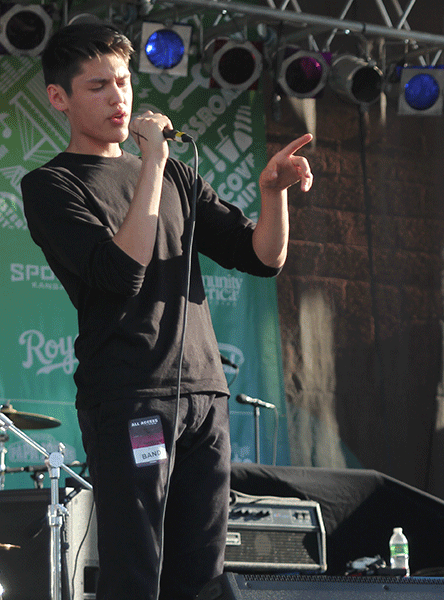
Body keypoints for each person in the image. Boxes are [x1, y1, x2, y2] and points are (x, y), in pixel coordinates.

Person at [20, 22, 313, 600]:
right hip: (130, 396)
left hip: (204, 395)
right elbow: (122, 272)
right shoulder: (52, 185)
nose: (119, 97)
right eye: (98, 85)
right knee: (136, 574)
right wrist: (150, 161)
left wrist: (274, 192)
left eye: (124, 82)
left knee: (202, 576)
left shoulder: (177, 175)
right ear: (60, 98)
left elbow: (260, 257)